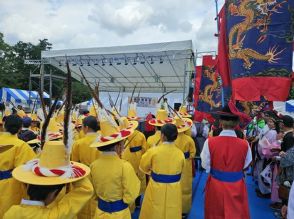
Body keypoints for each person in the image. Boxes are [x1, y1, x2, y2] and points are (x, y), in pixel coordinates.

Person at [3, 141, 93, 219]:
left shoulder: (11, 212)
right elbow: (85, 189)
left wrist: (45, 159)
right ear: (52, 194)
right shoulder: (55, 215)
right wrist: (71, 171)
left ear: (28, 186)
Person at [200, 105, 252, 219]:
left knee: (215, 213)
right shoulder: (244, 144)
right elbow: (246, 164)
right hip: (237, 185)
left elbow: (205, 164)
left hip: (215, 185)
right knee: (236, 213)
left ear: (221, 122)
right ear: (237, 122)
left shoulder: (210, 142)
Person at [90, 111, 140, 219]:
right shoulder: (125, 166)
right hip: (120, 214)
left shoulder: (93, 165)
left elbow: (92, 192)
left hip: (100, 213)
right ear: (118, 146)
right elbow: (132, 192)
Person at [139, 123, 185, 219]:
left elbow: (143, 166)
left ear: (162, 135)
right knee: (172, 210)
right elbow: (182, 171)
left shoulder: (153, 151)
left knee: (154, 211)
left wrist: (151, 172)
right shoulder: (180, 153)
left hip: (156, 186)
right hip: (174, 188)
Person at [0, 115, 36, 218]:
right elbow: (28, 169)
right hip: (11, 187)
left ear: (4, 126)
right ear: (20, 128)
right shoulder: (21, 146)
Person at [71, 116, 101, 219]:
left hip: (83, 176)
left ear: (86, 127)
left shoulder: (78, 143)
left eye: (83, 126)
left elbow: (74, 164)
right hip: (100, 176)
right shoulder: (103, 142)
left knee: (84, 198)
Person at [122, 117, 147, 209]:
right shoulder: (141, 135)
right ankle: (137, 202)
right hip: (138, 158)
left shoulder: (123, 135)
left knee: (128, 180)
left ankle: (128, 202)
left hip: (126, 159)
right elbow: (144, 149)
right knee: (139, 178)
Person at [174, 117, 196, 217]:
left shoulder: (172, 139)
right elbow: (193, 153)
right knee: (186, 187)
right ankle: (184, 210)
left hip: (174, 164)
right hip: (186, 164)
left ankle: (174, 208)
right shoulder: (189, 139)